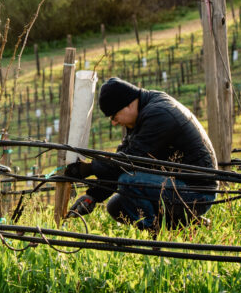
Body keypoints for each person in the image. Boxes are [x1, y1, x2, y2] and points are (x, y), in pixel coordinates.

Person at [63, 76, 217, 230]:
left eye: (114, 116)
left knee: (128, 181)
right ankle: (188, 225)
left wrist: (90, 168)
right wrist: (93, 196)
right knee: (116, 206)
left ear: (128, 104)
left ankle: (153, 237)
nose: (114, 122)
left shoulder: (159, 114)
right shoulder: (143, 113)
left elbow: (129, 162)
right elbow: (122, 160)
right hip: (178, 186)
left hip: (196, 193)